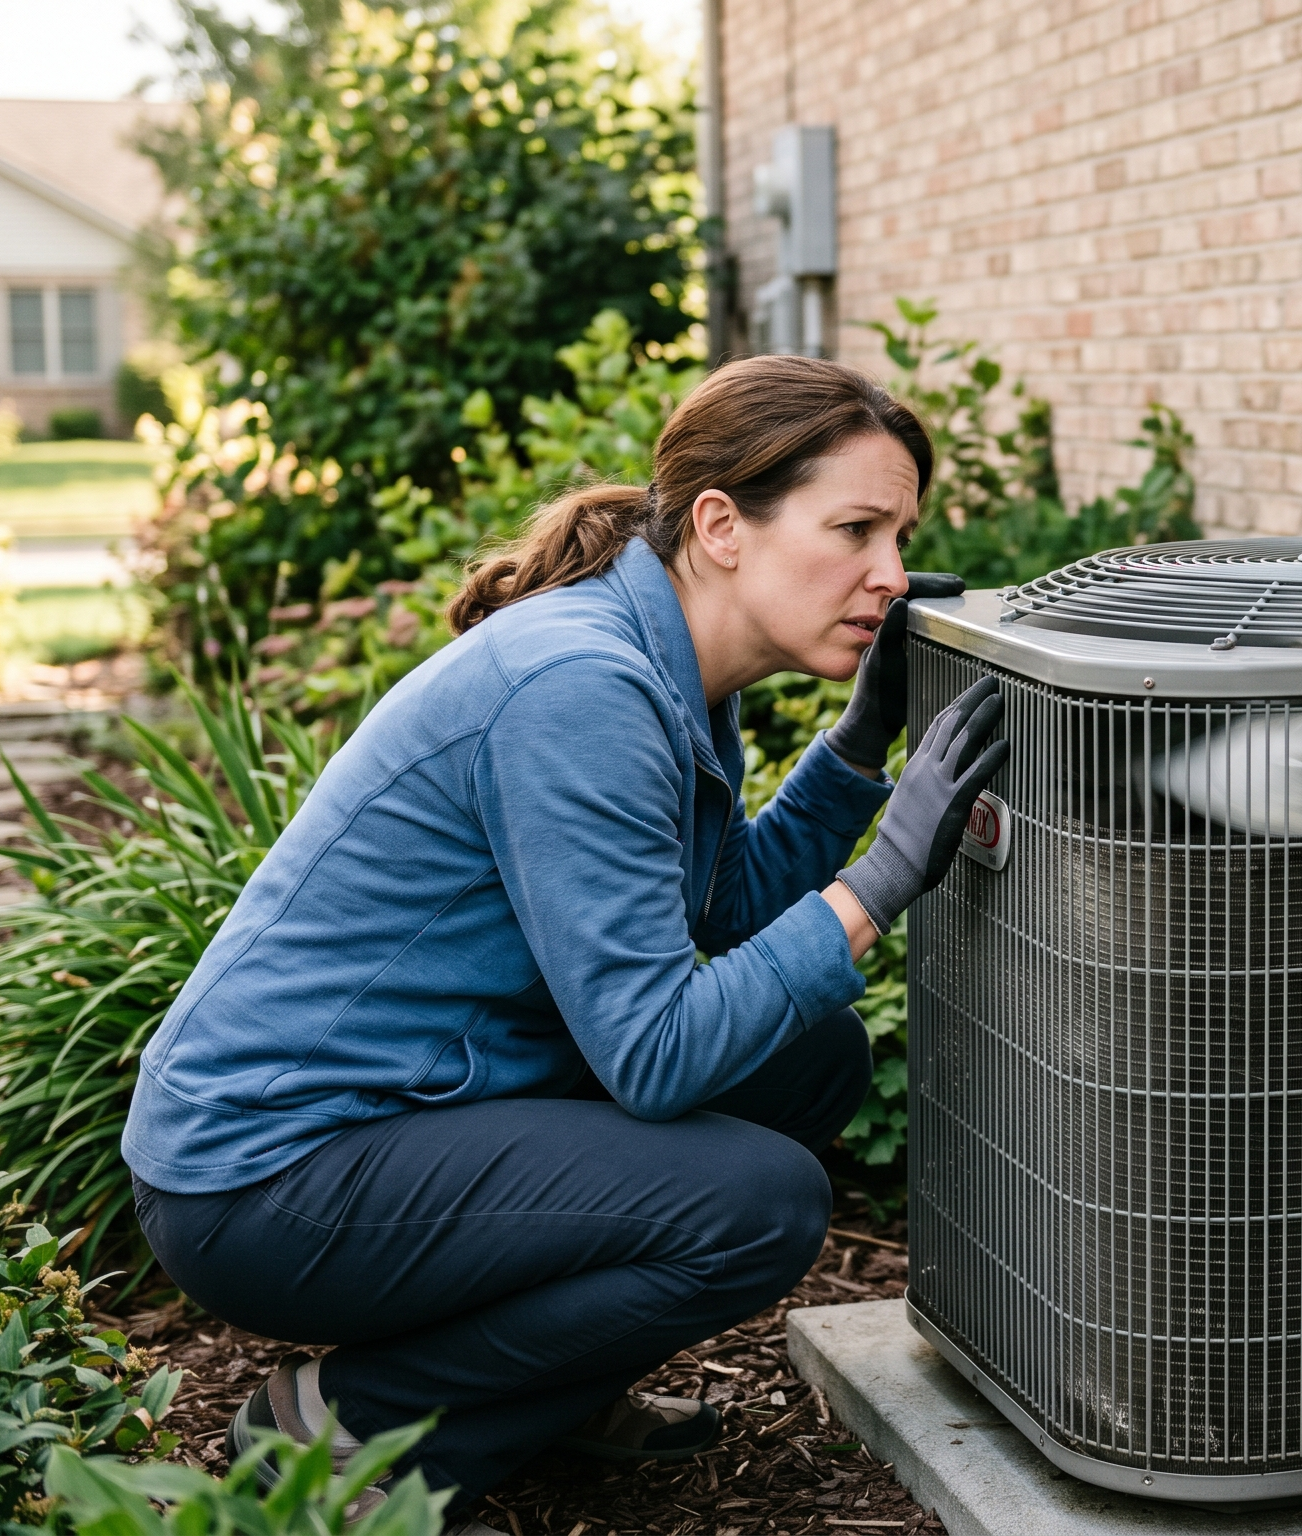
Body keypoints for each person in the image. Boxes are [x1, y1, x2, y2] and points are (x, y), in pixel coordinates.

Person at [120, 355, 1009, 1522]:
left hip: (409, 1111)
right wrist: (886, 874)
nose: (889, 574)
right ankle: (345, 1428)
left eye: (899, 535)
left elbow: (723, 912)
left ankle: (540, 1385)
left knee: (812, 1059)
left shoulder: (669, 664)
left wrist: (860, 742)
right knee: (758, 1203)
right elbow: (656, 1054)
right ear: (721, 525)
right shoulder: (580, 688)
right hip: (272, 1176)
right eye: (855, 529)